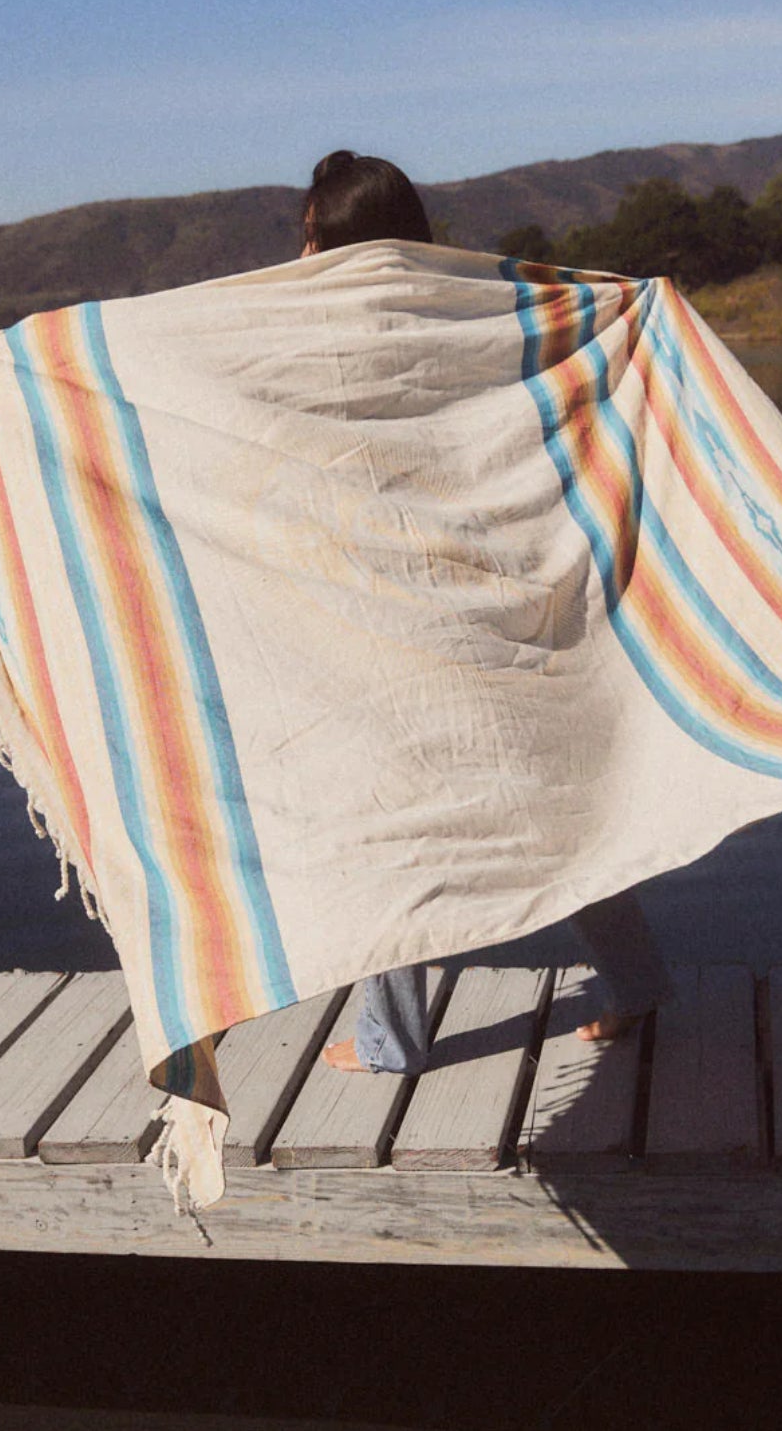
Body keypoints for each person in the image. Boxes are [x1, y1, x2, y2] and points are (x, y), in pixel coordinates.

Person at [298, 151, 673, 1074]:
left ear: (337, 241)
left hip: (403, 611)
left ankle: (392, 1037)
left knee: (400, 815)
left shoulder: (316, 338)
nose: (297, 252)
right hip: (497, 588)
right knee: (559, 800)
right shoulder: (470, 315)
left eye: (308, 234)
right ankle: (638, 983)